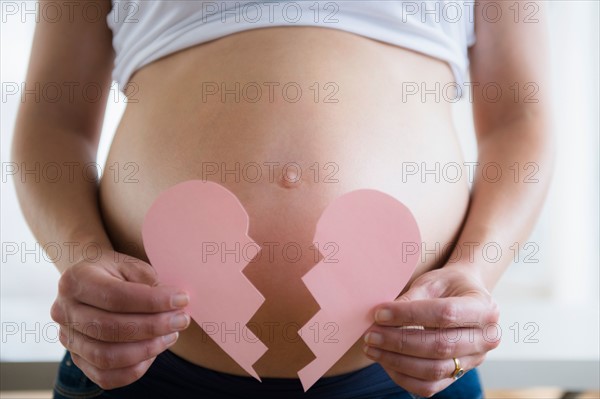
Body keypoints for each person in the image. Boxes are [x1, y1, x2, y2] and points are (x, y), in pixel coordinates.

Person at [12, 0, 554, 398]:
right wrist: (81, 257)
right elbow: (52, 119)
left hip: (409, 371)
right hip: (141, 363)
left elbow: (520, 119)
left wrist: (477, 271)